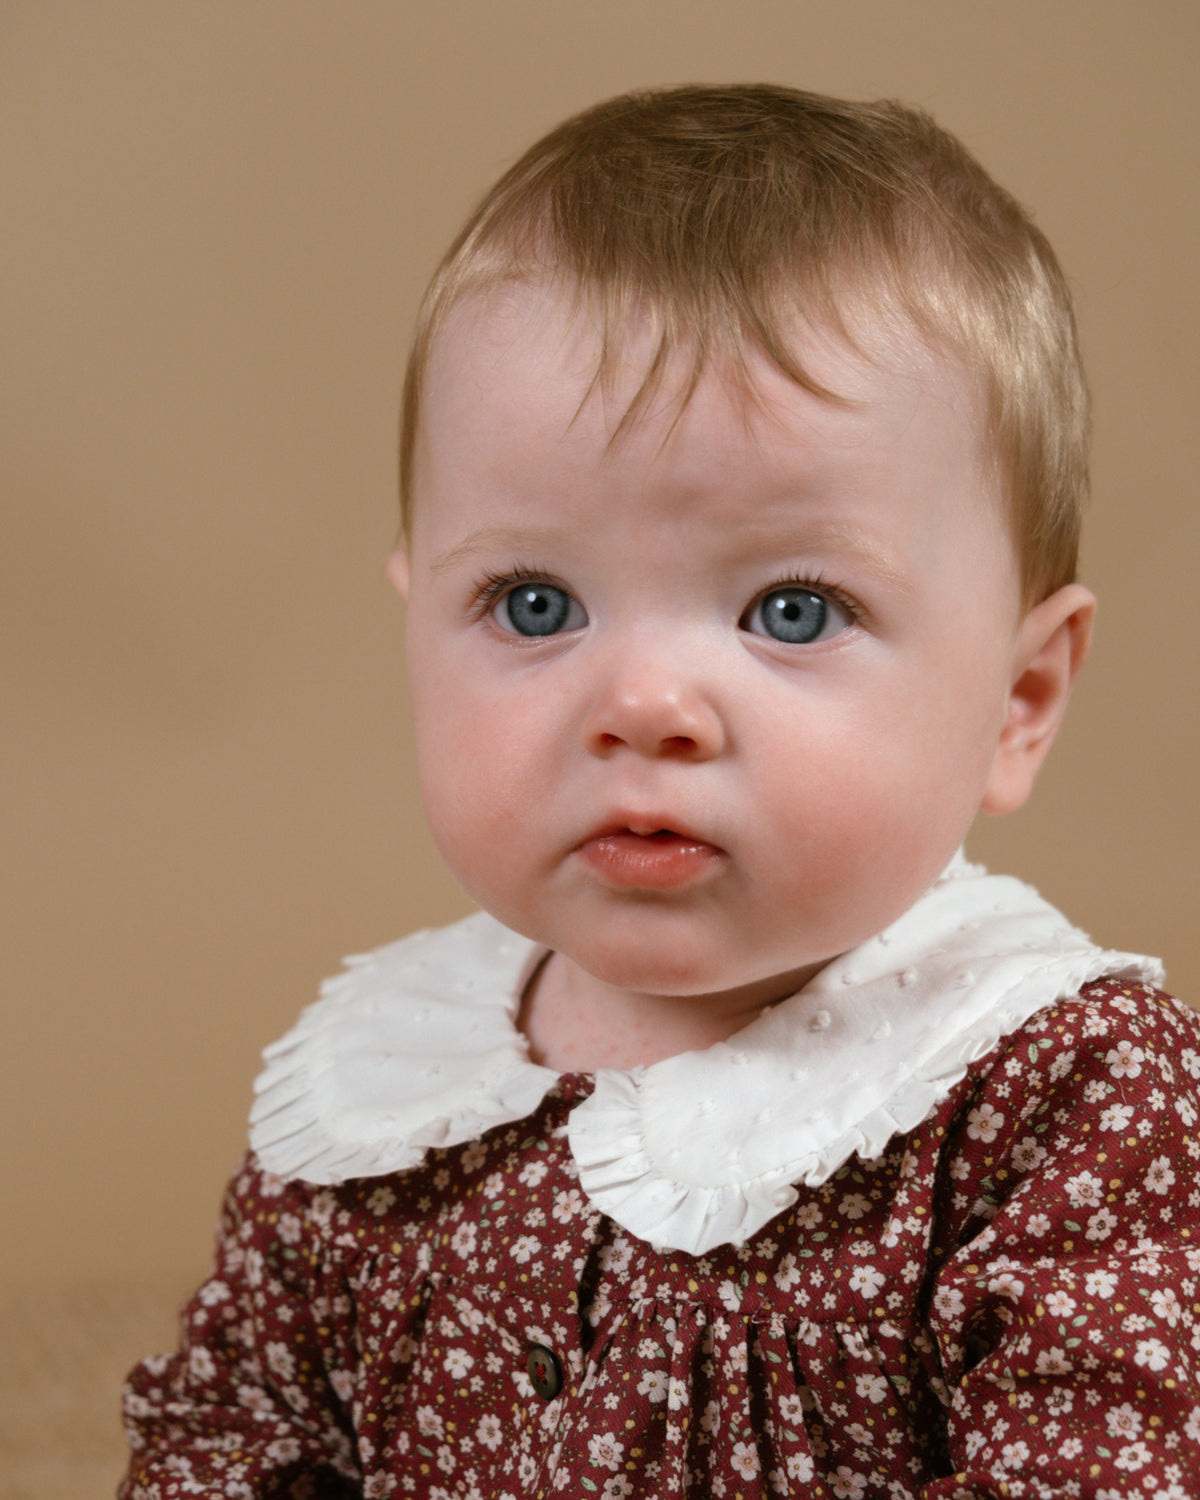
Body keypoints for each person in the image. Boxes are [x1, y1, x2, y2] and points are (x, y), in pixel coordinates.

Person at [120, 84, 1200, 1499]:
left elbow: (1097, 1465)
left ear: (1019, 701)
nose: (641, 705)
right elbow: (229, 1440)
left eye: (794, 611)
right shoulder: (386, 1100)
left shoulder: (1062, 1098)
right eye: (533, 600)